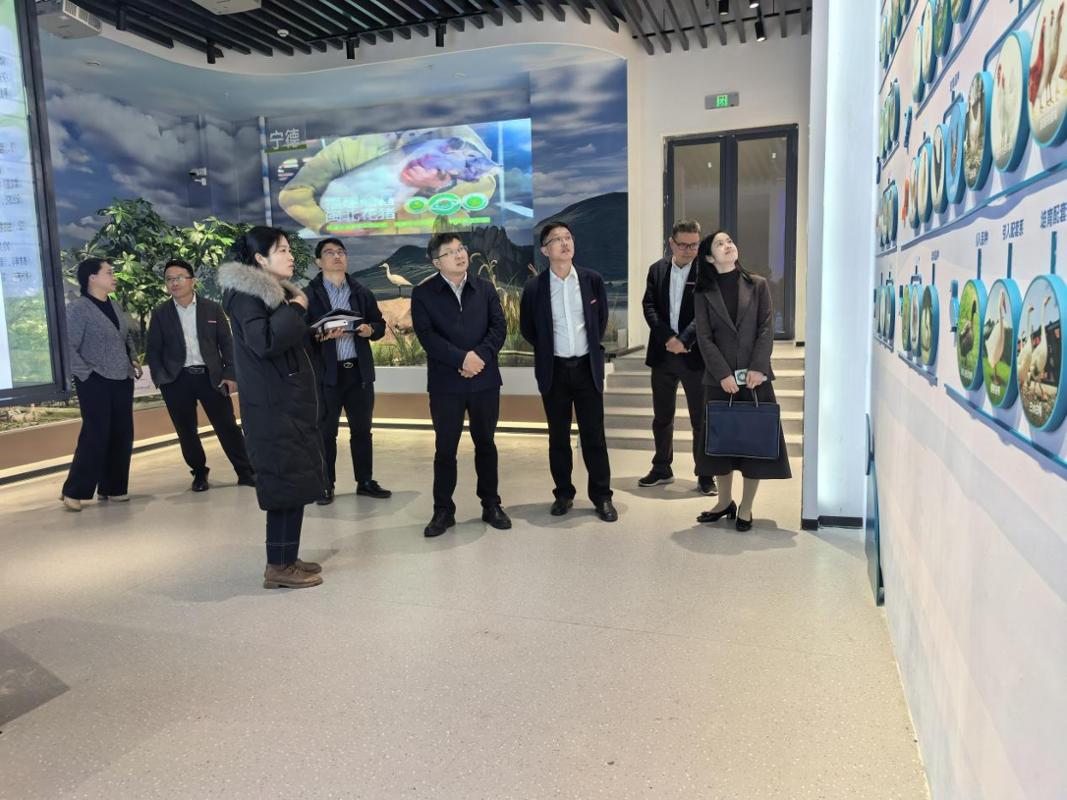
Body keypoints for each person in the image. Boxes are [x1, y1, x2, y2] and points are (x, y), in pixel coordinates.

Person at [218, 227, 327, 589]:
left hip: (285, 404)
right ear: (260, 259)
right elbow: (264, 341)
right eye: (282, 250)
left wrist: (313, 331)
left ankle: (286, 557)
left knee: (292, 482)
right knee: (283, 483)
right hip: (272, 408)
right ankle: (278, 566)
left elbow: (282, 342)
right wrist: (296, 308)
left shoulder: (270, 294)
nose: (291, 256)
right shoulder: (247, 295)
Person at [410, 232, 510, 538]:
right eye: (450, 251)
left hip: (485, 380)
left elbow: (498, 328)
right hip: (446, 385)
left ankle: (491, 504)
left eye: (461, 248)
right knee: (445, 449)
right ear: (436, 262)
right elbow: (428, 337)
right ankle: (443, 510)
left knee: (486, 444)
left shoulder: (485, 288)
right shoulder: (423, 294)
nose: (459, 254)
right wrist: (461, 359)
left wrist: (478, 357)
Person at [692, 230, 791, 532]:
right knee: (720, 447)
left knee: (753, 445)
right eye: (719, 243)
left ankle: (746, 507)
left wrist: (758, 368)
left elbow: (766, 329)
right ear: (709, 257)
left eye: (729, 241)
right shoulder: (703, 292)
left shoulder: (758, 284)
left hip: (755, 379)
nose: (728, 245)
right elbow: (704, 337)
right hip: (719, 381)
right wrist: (722, 373)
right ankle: (724, 502)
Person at [519, 221, 617, 522]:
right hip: (555, 371)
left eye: (568, 237)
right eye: (556, 239)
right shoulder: (534, 288)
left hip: (587, 368)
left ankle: (602, 496)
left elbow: (599, 320)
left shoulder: (591, 280)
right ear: (544, 250)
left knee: (594, 437)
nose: (564, 243)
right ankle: (563, 493)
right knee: (558, 437)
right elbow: (528, 329)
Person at [145, 258, 255, 492]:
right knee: (186, 431)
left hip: (211, 377)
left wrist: (231, 374)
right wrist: (162, 379)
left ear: (192, 281)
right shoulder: (160, 313)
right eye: (169, 279)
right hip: (176, 380)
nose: (174, 283)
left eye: (179, 278)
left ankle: (245, 471)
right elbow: (153, 350)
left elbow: (227, 344)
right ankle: (199, 472)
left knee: (227, 426)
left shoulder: (212, 308)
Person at [277, 126, 497, 237]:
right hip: (372, 247)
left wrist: (443, 184)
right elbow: (293, 193)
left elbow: (487, 179)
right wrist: (328, 225)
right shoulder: (347, 146)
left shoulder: (454, 133)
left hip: (444, 240)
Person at [305, 237, 391, 504]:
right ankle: (325, 484)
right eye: (329, 253)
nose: (337, 256)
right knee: (326, 432)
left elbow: (379, 324)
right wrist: (320, 335)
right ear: (318, 262)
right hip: (327, 375)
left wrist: (370, 329)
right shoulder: (308, 295)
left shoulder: (361, 292)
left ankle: (364, 481)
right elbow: (299, 335)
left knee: (362, 430)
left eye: (341, 252)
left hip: (359, 373)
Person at [640, 220, 718, 496]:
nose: (689, 250)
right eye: (683, 245)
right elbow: (649, 306)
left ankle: (705, 474)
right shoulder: (657, 270)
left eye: (694, 245)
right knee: (662, 417)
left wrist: (684, 340)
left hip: (695, 356)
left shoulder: (707, 271)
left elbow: (706, 312)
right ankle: (662, 467)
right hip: (663, 355)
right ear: (671, 243)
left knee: (701, 419)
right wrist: (668, 338)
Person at [59, 259, 141, 511]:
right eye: (109, 272)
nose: (114, 276)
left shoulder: (114, 305)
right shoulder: (78, 309)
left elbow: (125, 337)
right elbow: (67, 347)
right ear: (92, 278)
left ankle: (113, 487)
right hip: (95, 381)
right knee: (95, 434)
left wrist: (133, 358)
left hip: (122, 378)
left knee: (122, 433)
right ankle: (74, 491)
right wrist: (86, 375)